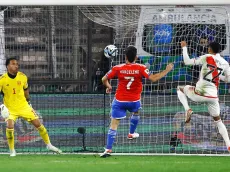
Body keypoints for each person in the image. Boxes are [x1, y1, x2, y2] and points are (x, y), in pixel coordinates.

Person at [100, 46, 174, 157]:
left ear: (125, 56)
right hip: (134, 100)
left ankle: (108, 149)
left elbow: (103, 79)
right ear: (136, 57)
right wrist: (167, 70)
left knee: (114, 125)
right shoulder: (141, 67)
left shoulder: (117, 68)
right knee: (136, 111)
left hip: (120, 100)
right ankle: (131, 133)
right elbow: (153, 79)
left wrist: (109, 86)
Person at [0, 57, 62, 156]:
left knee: (39, 125)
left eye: (17, 64)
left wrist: (28, 102)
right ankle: (12, 150)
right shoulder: (2, 79)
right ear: (7, 66)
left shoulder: (23, 77)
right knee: (10, 126)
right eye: (13, 64)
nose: (16, 66)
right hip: (10, 109)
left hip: (24, 107)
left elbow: (26, 90)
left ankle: (49, 145)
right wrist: (2, 106)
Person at [177, 41, 230, 151]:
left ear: (210, 49)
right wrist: (218, 77)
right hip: (213, 97)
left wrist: (184, 48)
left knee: (180, 89)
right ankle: (228, 145)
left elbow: (187, 62)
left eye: (208, 48)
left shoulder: (207, 57)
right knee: (218, 121)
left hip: (199, 93)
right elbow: (228, 79)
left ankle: (187, 109)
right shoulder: (225, 63)